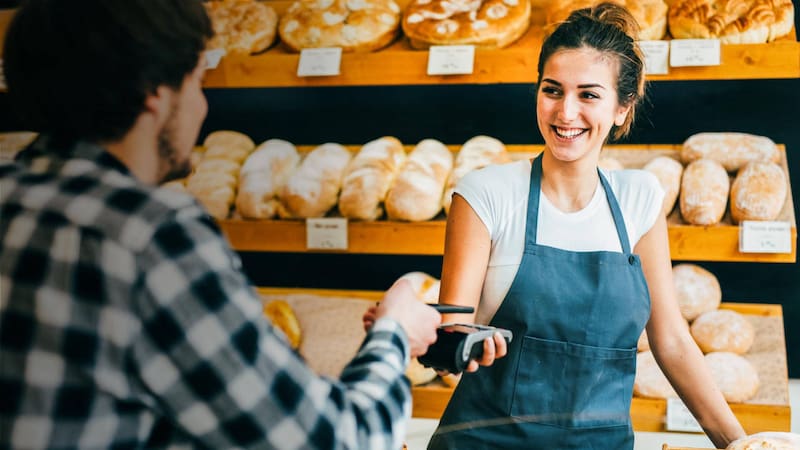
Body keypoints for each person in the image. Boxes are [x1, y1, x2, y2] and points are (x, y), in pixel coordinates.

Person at [0, 1, 443, 448]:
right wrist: (396, 333)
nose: (202, 106)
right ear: (155, 95)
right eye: (198, 82)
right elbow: (332, 439)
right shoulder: (150, 235)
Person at [427, 4, 747, 449]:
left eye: (589, 95)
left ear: (622, 107)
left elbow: (671, 341)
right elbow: (451, 339)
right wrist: (442, 339)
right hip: (487, 442)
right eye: (552, 90)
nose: (566, 112)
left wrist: (740, 443)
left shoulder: (639, 199)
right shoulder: (486, 194)